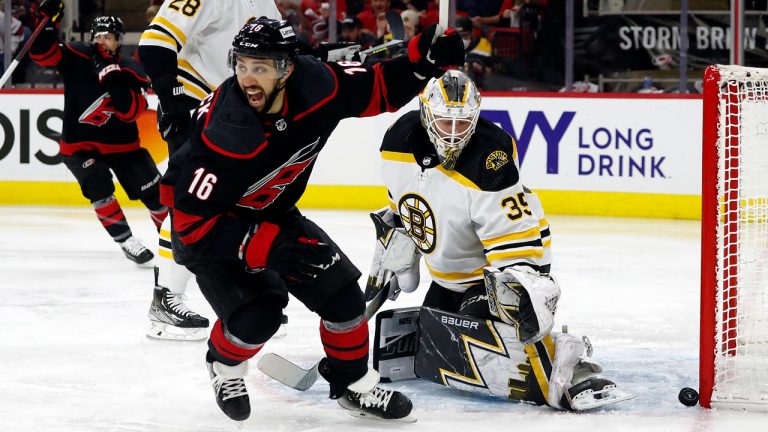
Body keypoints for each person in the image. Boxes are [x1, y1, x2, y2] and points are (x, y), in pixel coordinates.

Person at [159, 17, 463, 421]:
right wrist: (268, 246)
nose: (248, 78)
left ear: (287, 69)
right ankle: (224, 365)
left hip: (272, 212)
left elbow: (376, 88)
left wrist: (424, 59)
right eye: (243, 65)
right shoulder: (226, 131)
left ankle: (353, 384)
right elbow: (188, 228)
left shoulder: (318, 86)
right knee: (258, 316)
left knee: (344, 300)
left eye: (261, 68)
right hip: (213, 232)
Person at [367, 70, 635, 411]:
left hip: (500, 268)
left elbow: (515, 244)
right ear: (425, 114)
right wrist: (398, 254)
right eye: (444, 123)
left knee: (483, 339)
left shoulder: (489, 159)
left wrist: (518, 294)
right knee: (436, 344)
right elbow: (404, 206)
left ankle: (569, 365)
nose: (452, 134)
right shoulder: (398, 142)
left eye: (462, 124)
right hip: (450, 276)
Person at [137, 0, 282, 341]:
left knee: (238, 201)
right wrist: (171, 99)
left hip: (234, 111)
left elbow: (279, 46)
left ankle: (247, 295)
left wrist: (323, 56)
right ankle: (165, 299)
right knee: (194, 200)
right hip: (196, 105)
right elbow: (155, 43)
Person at [29, 2, 162, 266]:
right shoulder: (76, 56)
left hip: (124, 147)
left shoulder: (129, 69)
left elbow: (129, 111)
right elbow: (41, 54)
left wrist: (110, 74)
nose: (102, 41)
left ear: (118, 41)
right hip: (79, 145)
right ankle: (125, 240)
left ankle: (175, 241)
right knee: (98, 186)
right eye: (98, 36)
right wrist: (47, 21)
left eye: (108, 37)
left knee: (155, 196)